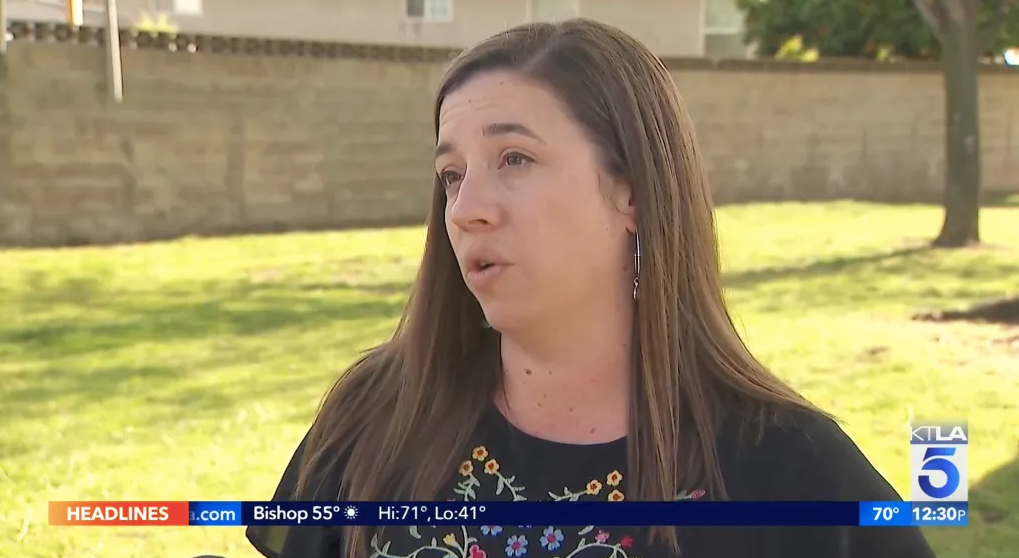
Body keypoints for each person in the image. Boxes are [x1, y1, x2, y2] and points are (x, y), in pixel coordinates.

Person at [247, 18, 937, 558]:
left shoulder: (789, 470)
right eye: (452, 175)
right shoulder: (375, 417)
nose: (465, 208)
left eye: (513, 158)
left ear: (632, 192)